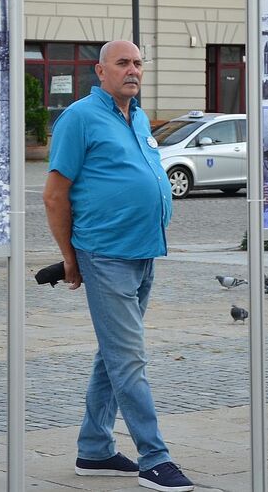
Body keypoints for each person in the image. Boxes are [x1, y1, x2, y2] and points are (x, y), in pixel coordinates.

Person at [42, 40, 194, 492]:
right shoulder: (79, 118)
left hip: (143, 252)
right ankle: (155, 458)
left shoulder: (139, 117)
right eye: (123, 63)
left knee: (113, 354)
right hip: (105, 254)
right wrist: (70, 258)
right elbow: (54, 195)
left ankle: (94, 449)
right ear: (100, 70)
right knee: (128, 358)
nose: (133, 70)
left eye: (138, 64)